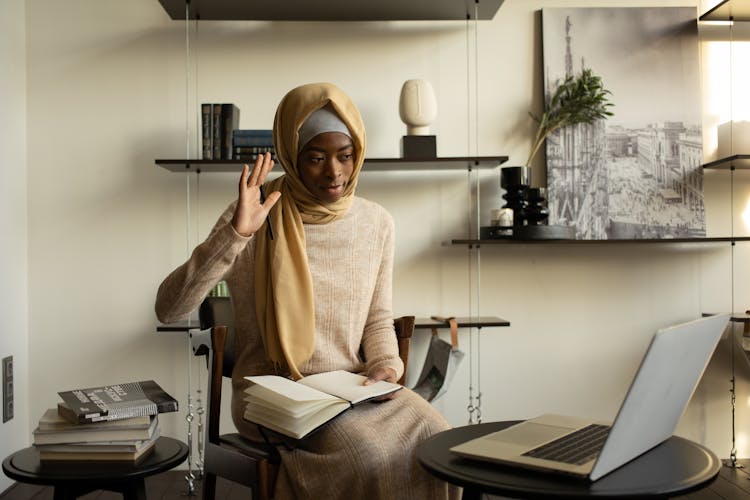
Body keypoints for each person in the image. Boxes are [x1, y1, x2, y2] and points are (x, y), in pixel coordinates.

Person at [155, 82, 459, 499]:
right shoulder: (258, 210)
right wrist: (235, 235)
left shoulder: (377, 223)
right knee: (367, 455)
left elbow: (377, 317)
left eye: (345, 156)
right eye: (315, 158)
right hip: (273, 394)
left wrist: (386, 364)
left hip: (353, 390)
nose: (334, 172)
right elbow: (169, 308)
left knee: (438, 437)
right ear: (291, 158)